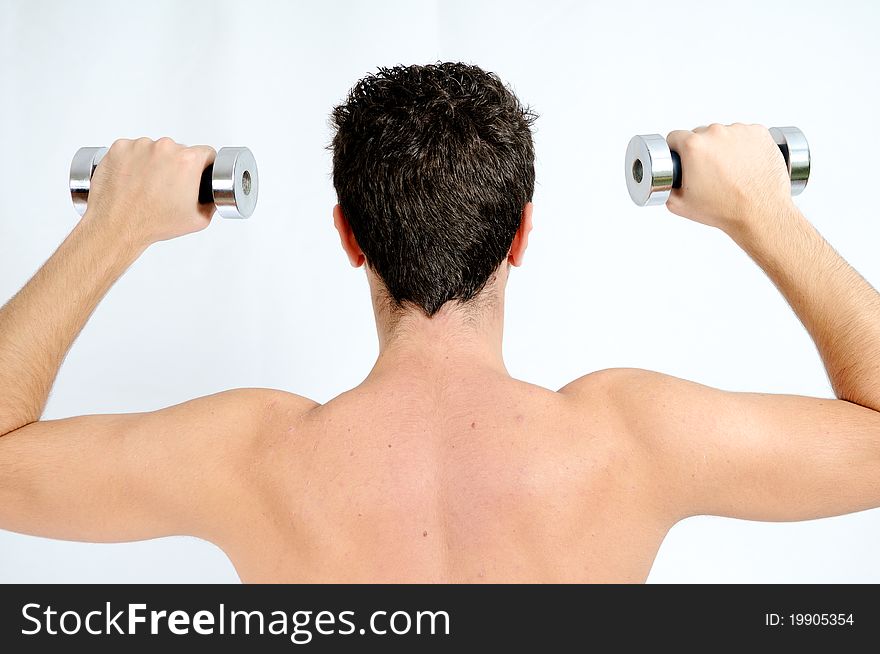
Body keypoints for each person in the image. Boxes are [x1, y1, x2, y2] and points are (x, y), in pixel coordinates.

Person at [0, 63, 878, 583]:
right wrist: (765, 213)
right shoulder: (634, 439)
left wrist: (111, 228)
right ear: (522, 234)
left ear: (348, 235)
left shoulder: (247, 456)